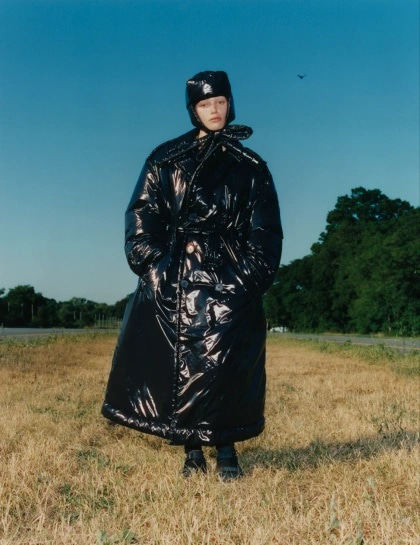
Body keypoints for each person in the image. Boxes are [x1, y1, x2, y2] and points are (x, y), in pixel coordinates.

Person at [102, 70, 283, 480]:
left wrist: (249, 278)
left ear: (230, 103)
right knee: (180, 367)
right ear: (192, 110)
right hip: (176, 277)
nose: (214, 110)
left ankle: (227, 450)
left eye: (220, 101)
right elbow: (142, 216)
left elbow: (266, 231)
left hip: (232, 278)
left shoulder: (251, 167)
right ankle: (192, 451)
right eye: (204, 104)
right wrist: (155, 267)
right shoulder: (165, 159)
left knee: (227, 366)